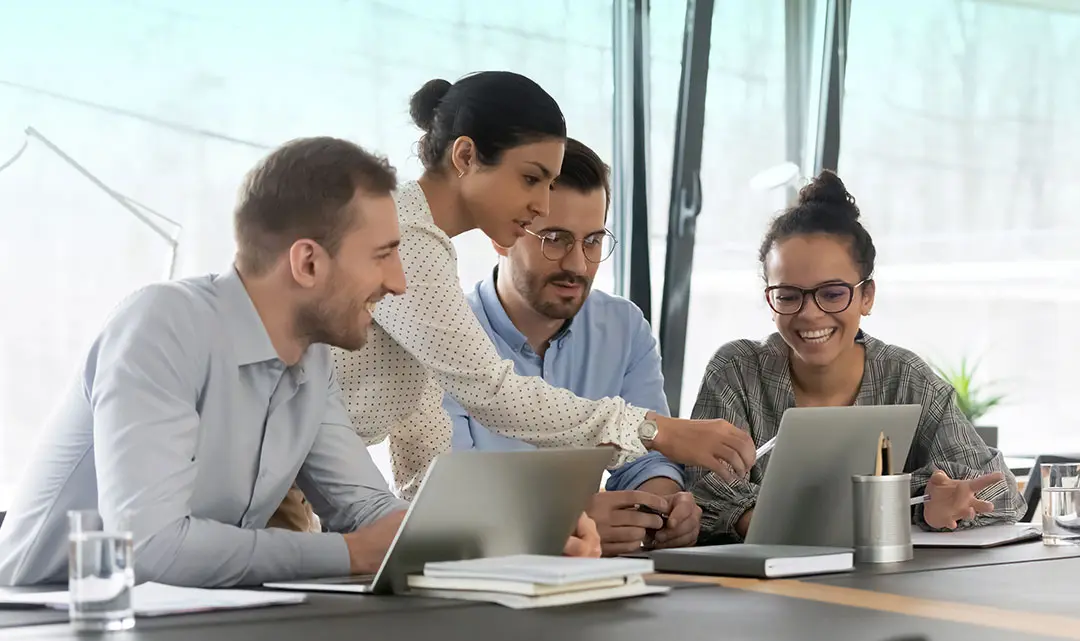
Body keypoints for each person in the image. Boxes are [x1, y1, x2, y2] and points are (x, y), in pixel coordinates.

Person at [0, 137, 599, 588]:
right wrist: (350, 554)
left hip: (173, 629)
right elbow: (150, 545)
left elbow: (366, 510)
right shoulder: (163, 326)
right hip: (42, 632)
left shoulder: (309, 362)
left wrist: (513, 539)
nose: (397, 283)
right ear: (308, 264)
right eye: (385, 255)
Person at [326, 71, 754, 504]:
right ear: (466, 156)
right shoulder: (406, 238)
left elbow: (423, 439)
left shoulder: (427, 248)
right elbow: (492, 392)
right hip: (273, 476)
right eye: (532, 179)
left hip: (306, 479)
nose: (542, 205)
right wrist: (655, 430)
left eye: (549, 184)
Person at [687, 170, 1026, 544]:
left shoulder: (905, 377)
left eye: (832, 294)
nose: (810, 314)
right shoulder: (737, 371)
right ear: (770, 299)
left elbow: (1001, 491)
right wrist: (896, 499)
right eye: (787, 295)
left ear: (867, 297)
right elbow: (703, 491)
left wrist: (936, 501)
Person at [443, 138, 701, 556]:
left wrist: (661, 508)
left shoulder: (624, 328)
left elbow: (644, 458)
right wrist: (566, 520)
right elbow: (448, 496)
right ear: (502, 236)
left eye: (593, 240)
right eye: (555, 239)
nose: (578, 265)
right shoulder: (447, 334)